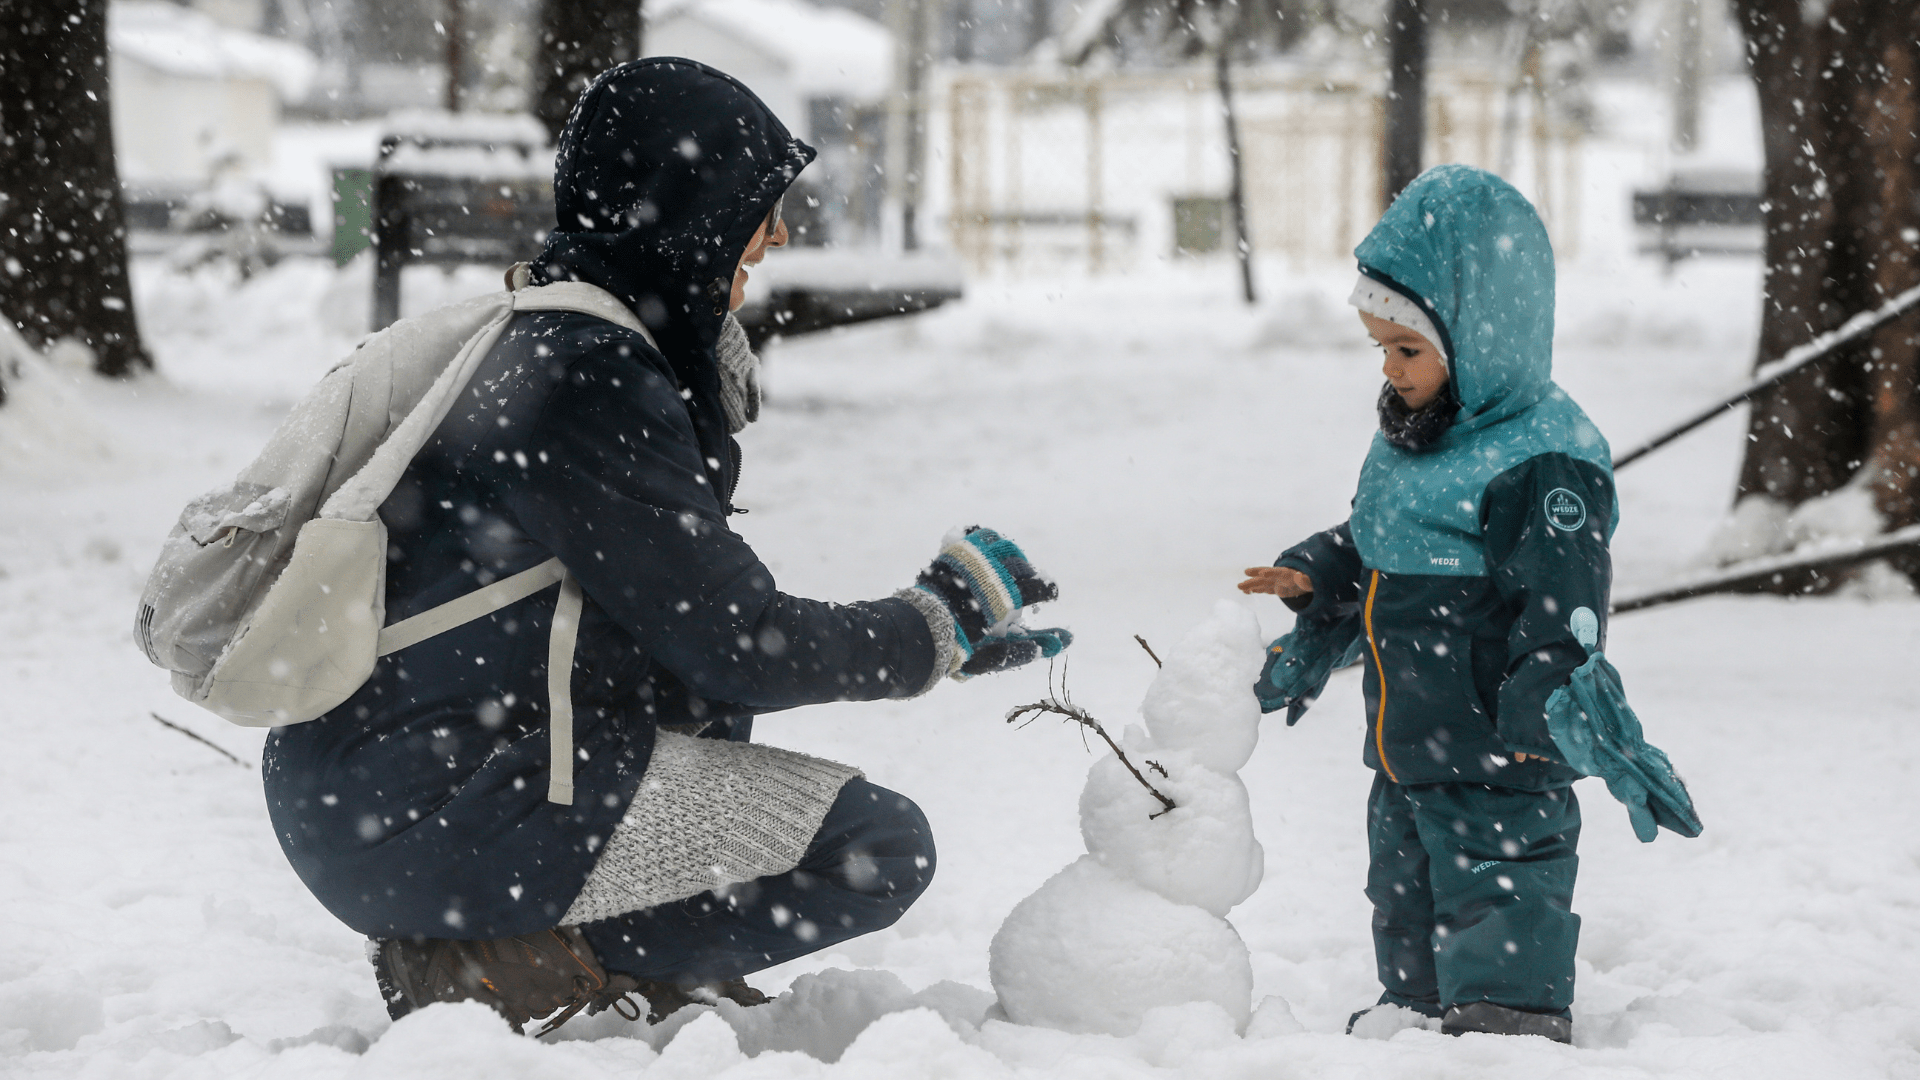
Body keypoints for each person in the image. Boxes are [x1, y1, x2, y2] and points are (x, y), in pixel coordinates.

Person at [262, 58, 1069, 1035]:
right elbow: (737, 640)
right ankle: (498, 962)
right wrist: (928, 628)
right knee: (877, 845)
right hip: (426, 805)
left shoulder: (575, 344)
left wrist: (928, 636)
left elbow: (692, 646)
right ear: (680, 211)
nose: (772, 236)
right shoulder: (582, 373)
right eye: (753, 207)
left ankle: (586, 953)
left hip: (403, 788)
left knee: (716, 730)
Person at [1237, 165, 1618, 1044]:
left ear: (1481, 340)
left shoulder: (1541, 459)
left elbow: (1563, 600)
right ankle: (1414, 1003)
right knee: (1403, 873)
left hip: (1496, 742)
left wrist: (1545, 702)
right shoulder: (1426, 441)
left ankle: (1504, 1020)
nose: (1389, 369)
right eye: (1380, 348)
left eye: (1407, 350)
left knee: (1498, 876)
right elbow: (1380, 536)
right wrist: (1315, 571)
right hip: (1409, 735)